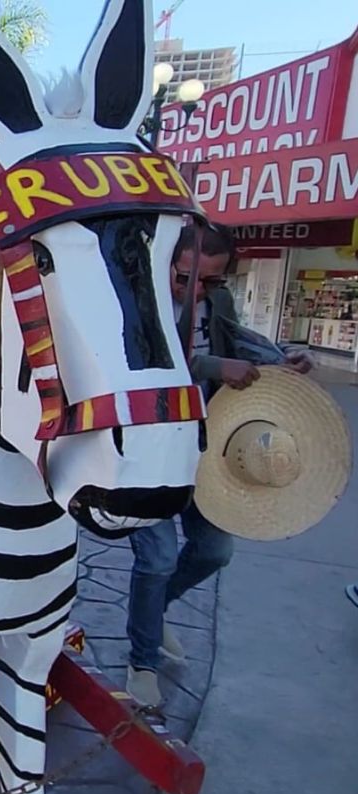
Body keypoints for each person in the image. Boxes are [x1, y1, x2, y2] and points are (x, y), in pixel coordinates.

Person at [125, 223, 313, 708]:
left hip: (205, 447)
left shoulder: (217, 301)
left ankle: (155, 613)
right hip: (145, 450)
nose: (196, 291)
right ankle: (142, 659)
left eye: (211, 282)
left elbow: (231, 341)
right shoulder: (133, 298)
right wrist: (212, 370)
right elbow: (138, 362)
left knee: (213, 551)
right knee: (159, 558)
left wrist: (278, 358)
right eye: (186, 278)